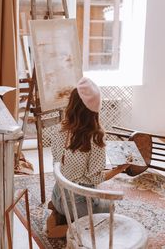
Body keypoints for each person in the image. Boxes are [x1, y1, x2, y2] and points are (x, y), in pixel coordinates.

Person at [46, 77, 129, 237]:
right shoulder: (95, 138)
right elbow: (95, 178)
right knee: (110, 209)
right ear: (94, 110)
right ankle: (66, 229)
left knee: (76, 196)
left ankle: (58, 212)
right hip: (77, 204)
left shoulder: (59, 130)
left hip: (58, 194)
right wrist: (120, 169)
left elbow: (59, 161)